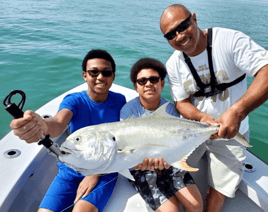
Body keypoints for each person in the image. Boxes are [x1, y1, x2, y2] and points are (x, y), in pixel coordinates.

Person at [160, 4, 268, 212]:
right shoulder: (174, 64)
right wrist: (201, 117)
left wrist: (238, 112)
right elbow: (181, 102)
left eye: (182, 27)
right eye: (171, 34)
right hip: (194, 131)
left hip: (231, 132)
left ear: (194, 18)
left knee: (219, 189)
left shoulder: (229, 40)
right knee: (168, 168)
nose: (179, 36)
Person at [10, 49, 126, 212]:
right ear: (84, 75)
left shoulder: (120, 101)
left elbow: (122, 140)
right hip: (72, 169)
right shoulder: (74, 100)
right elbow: (58, 122)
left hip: (104, 170)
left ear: (113, 76)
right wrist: (41, 125)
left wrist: (94, 174)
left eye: (106, 72)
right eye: (94, 72)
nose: (100, 77)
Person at [120, 58, 203, 212]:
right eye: (142, 81)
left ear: (162, 84)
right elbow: (129, 148)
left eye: (153, 79)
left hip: (168, 162)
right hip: (141, 166)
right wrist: (142, 163)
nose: (148, 84)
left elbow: (175, 142)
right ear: (135, 86)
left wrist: (169, 159)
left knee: (196, 205)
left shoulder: (170, 109)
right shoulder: (128, 111)